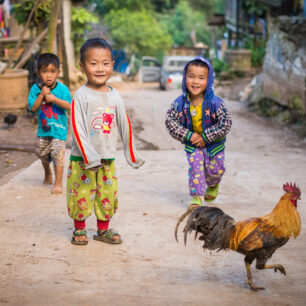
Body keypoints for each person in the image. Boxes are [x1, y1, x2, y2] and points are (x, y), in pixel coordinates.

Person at [67, 38, 144, 245]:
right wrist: (89, 156)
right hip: (82, 159)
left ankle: (103, 230)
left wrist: (131, 154)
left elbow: (124, 123)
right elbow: (78, 128)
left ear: (112, 64)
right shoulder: (81, 96)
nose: (100, 68)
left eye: (105, 63)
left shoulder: (115, 95)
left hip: (107, 158)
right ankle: (79, 229)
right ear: (82, 67)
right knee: (81, 194)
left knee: (107, 195)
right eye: (93, 63)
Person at [165, 56, 232, 210]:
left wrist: (206, 137)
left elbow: (226, 123)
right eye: (191, 76)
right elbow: (170, 122)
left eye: (201, 78)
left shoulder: (216, 103)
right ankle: (196, 197)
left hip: (214, 144)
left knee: (216, 170)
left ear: (208, 81)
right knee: (196, 167)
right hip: (193, 144)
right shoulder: (179, 103)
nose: (195, 82)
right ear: (184, 78)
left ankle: (213, 185)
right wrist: (189, 136)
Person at [28, 53, 72, 194]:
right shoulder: (35, 89)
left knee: (57, 155)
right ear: (38, 73)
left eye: (52, 72)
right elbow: (33, 108)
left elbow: (69, 105)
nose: (48, 75)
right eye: (45, 71)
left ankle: (58, 183)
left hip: (59, 131)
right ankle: (47, 173)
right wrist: (42, 95)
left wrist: (54, 99)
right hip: (43, 130)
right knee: (41, 152)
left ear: (58, 73)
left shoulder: (62, 89)